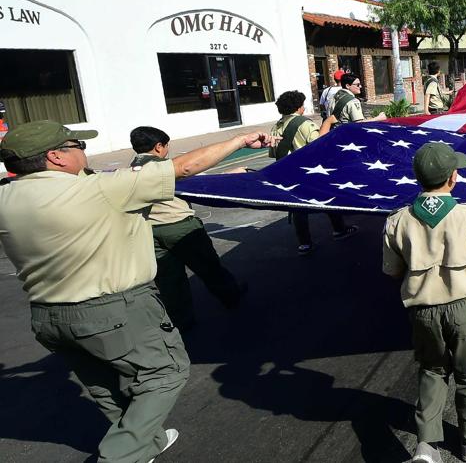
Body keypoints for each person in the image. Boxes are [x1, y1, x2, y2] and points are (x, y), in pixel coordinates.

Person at [0, 120, 271, 463]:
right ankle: (121, 455)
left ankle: (147, 443)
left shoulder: (6, 196)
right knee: (166, 373)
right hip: (111, 309)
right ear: (55, 156)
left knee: (103, 385)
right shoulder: (100, 188)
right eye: (76, 146)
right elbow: (185, 166)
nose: (84, 152)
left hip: (48, 315)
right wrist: (241, 139)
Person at [383, 142, 466, 463]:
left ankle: (426, 447)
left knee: (432, 371)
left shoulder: (397, 221)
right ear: (452, 179)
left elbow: (392, 270)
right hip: (465, 307)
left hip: (423, 311)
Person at [129, 126, 247, 329]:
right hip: (181, 228)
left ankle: (181, 320)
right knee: (209, 268)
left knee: (169, 278)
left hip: (151, 231)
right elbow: (200, 182)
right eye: (166, 146)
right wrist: (234, 173)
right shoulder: (166, 169)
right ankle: (231, 296)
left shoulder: (131, 170)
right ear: (158, 147)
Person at [271, 90, 359, 255]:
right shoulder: (304, 124)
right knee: (328, 197)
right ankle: (339, 229)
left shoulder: (276, 126)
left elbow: (274, 152)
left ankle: (304, 243)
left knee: (298, 208)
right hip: (309, 170)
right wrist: (327, 123)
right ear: (299, 108)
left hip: (288, 172)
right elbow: (319, 144)